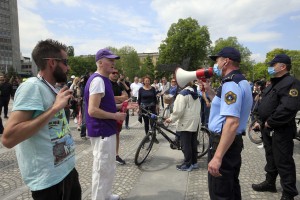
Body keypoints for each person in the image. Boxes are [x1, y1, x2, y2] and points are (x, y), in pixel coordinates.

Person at [1, 39, 81, 200]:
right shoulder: (32, 87)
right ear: (52, 63)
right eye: (65, 62)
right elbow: (8, 138)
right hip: (49, 182)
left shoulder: (52, 88)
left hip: (67, 172)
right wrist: (54, 108)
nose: (68, 67)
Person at [205, 47, 252, 200]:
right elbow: (222, 108)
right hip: (231, 142)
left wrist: (218, 156)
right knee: (231, 187)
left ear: (226, 61)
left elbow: (232, 122)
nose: (216, 64)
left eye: (217, 60)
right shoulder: (240, 80)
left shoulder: (231, 84)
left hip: (223, 141)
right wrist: (209, 90)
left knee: (220, 191)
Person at [251, 54, 300, 200]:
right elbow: (265, 104)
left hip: (281, 129)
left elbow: (288, 107)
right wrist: (259, 120)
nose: (270, 67)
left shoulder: (291, 83)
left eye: (273, 65)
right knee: (271, 157)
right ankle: (270, 182)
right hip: (267, 128)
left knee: (283, 161)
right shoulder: (273, 83)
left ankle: (289, 193)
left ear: (283, 66)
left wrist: (271, 121)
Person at [84, 48, 126, 200]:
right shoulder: (98, 81)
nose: (113, 63)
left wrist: (120, 103)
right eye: (110, 60)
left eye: (113, 60)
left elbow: (104, 101)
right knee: (101, 170)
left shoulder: (103, 80)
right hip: (101, 131)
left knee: (108, 167)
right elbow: (93, 110)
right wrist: (115, 115)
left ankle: (106, 195)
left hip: (106, 130)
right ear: (100, 63)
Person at [165, 82, 200, 171]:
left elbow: (178, 111)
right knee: (193, 143)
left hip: (186, 122)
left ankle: (187, 164)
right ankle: (194, 162)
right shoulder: (194, 93)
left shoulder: (183, 94)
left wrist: (171, 118)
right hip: (195, 121)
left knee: (186, 145)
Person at [109, 69, 128, 165]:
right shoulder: (106, 84)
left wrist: (116, 98)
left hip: (118, 111)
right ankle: (109, 155)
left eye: (117, 73)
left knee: (117, 134)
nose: (115, 74)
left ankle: (116, 155)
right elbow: (108, 98)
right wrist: (119, 98)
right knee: (108, 135)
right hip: (108, 113)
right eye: (113, 73)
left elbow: (126, 95)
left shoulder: (118, 84)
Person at [137, 76, 158, 142]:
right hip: (144, 108)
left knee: (152, 123)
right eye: (146, 81)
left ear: (150, 81)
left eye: (148, 81)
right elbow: (139, 99)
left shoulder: (153, 88)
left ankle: (154, 137)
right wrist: (139, 108)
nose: (147, 82)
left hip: (152, 108)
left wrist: (157, 106)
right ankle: (147, 137)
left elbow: (155, 98)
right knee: (146, 123)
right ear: (143, 81)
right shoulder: (141, 89)